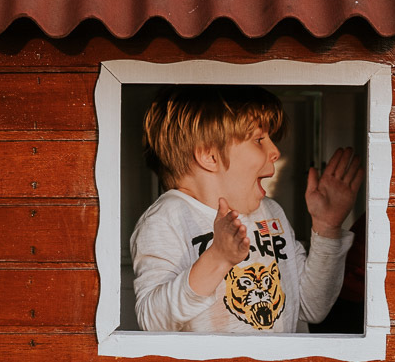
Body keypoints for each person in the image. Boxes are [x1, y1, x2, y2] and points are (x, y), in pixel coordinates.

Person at [131, 85, 364, 333]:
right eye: (259, 140)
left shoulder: (271, 212)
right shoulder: (166, 220)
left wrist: (327, 227)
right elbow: (152, 321)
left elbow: (310, 308)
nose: (275, 151)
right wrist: (217, 259)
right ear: (209, 155)